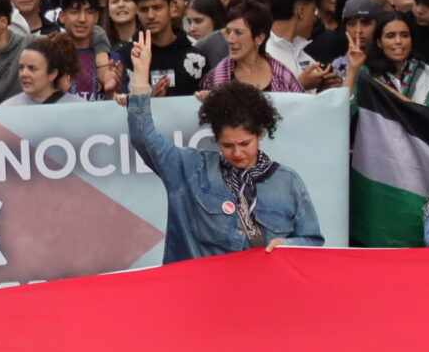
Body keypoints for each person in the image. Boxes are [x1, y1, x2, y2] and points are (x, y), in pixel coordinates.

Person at [124, 32, 323, 261]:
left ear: (260, 135)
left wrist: (288, 245)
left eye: (245, 143)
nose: (237, 153)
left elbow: (312, 241)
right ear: (216, 140)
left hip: (262, 283)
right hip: (198, 283)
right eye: (227, 145)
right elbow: (143, 138)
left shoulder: (288, 182)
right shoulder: (191, 169)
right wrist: (140, 78)